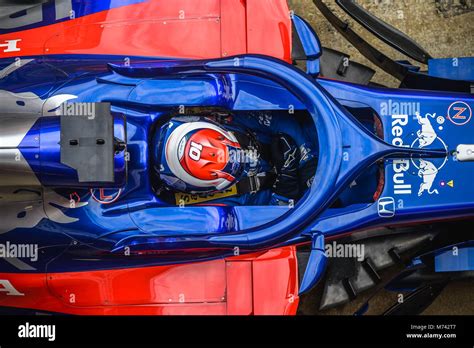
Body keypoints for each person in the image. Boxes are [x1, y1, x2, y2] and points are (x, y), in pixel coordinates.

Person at [152, 112, 318, 206]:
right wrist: (286, 188)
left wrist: (305, 158)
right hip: (302, 199)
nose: (243, 162)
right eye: (236, 171)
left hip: (307, 139)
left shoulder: (222, 117)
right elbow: (273, 223)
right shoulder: (214, 207)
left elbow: (278, 117)